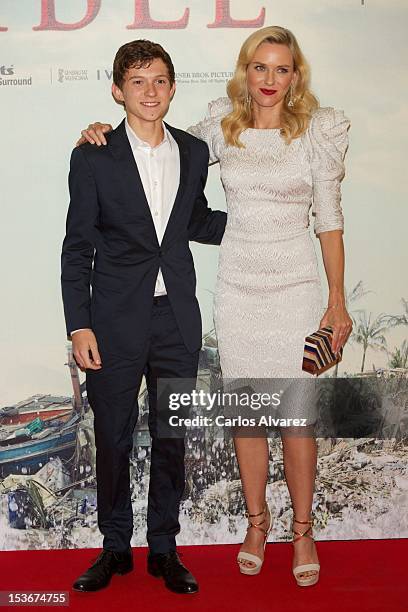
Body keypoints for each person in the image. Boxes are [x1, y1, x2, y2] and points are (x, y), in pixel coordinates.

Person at [78, 25, 353, 587]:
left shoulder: (317, 135)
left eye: (282, 68)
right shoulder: (217, 132)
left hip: (296, 281)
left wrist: (337, 302)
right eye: (259, 67)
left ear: (295, 75)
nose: (270, 79)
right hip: (239, 284)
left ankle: (302, 531)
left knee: (295, 417)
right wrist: (100, 132)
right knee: (247, 418)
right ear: (244, 72)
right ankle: (255, 525)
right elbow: (155, 144)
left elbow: (328, 222)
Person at [61, 39, 226, 594]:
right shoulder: (93, 155)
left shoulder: (195, 152)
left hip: (176, 317)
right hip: (110, 320)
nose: (150, 91)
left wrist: (261, 220)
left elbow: (195, 221)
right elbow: (76, 246)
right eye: (137, 82)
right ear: (117, 91)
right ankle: (114, 548)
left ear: (173, 88)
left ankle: (163, 549)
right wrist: (78, 323)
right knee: (113, 437)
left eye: (159, 80)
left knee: (172, 436)